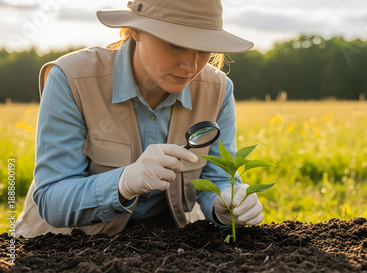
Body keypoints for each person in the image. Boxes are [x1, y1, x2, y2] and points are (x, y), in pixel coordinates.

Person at [16, 0, 265, 237]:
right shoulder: (71, 80)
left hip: (165, 248)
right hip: (64, 246)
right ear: (135, 30)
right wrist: (122, 183)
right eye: (176, 44)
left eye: (203, 48)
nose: (190, 65)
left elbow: (217, 179)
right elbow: (51, 199)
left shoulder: (218, 90)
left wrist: (223, 207)